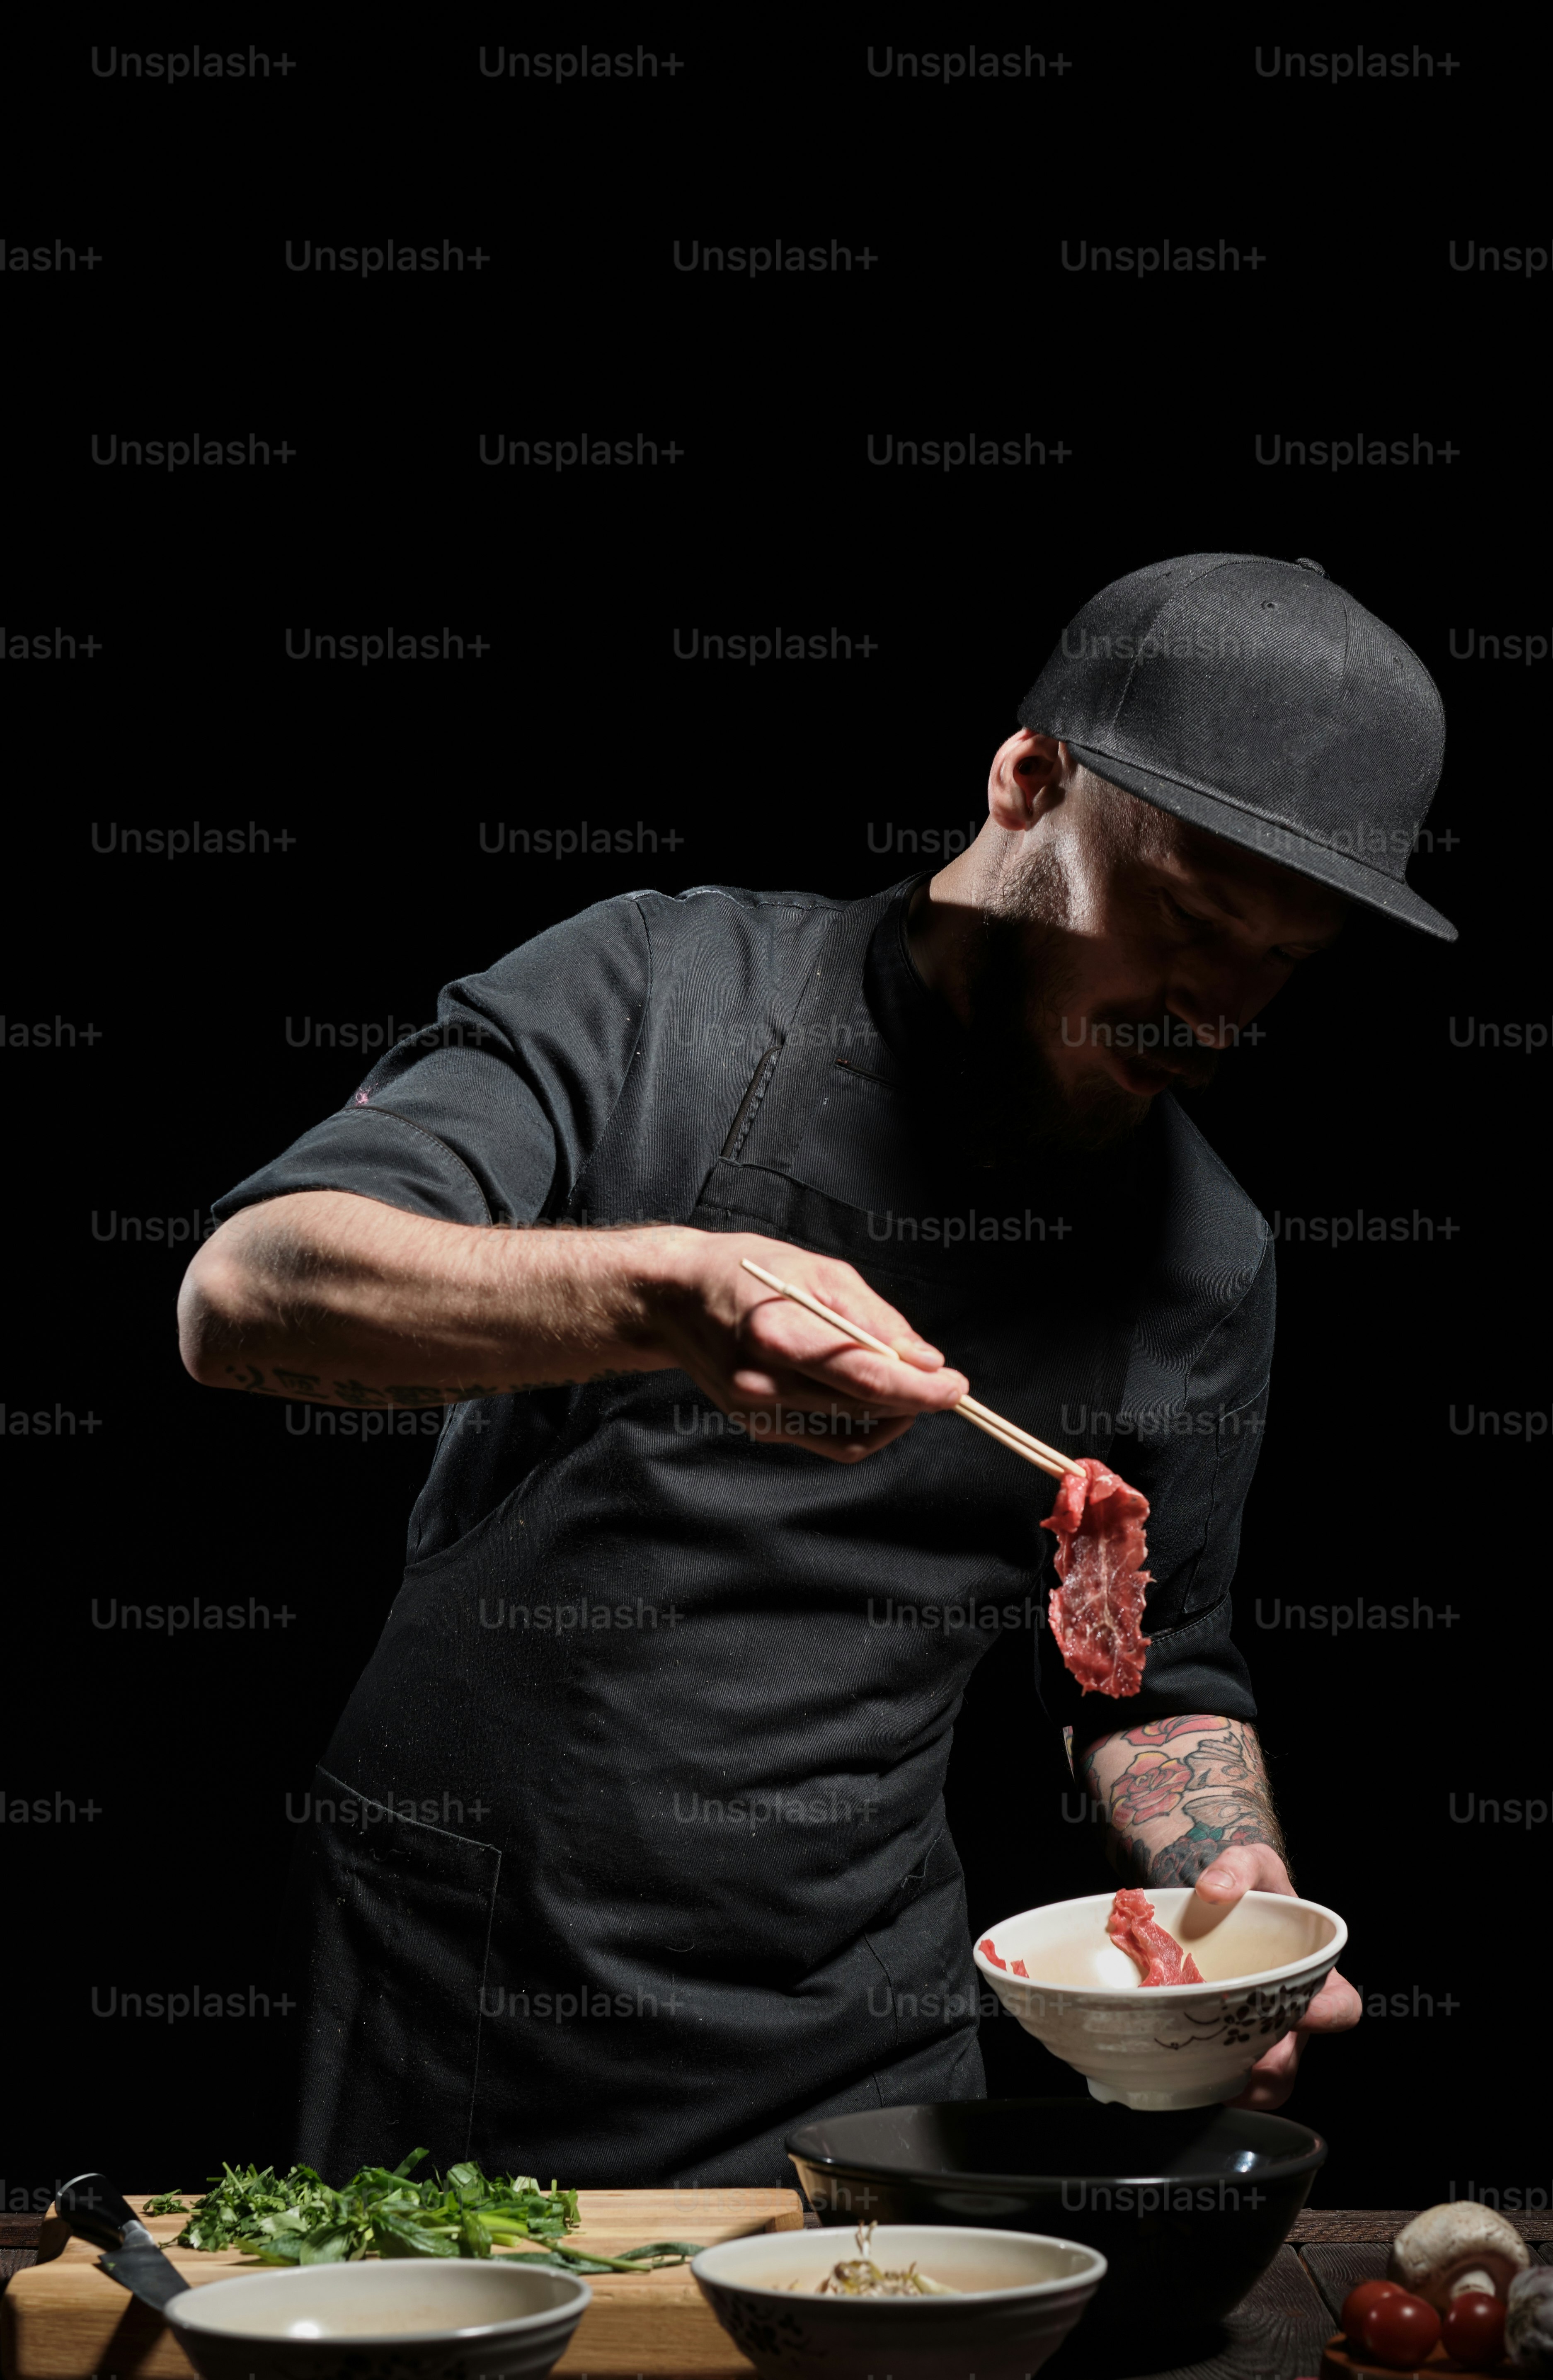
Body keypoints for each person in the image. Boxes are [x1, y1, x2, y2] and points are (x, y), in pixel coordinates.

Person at [179, 553, 1449, 2186]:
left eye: (1279, 961)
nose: (1212, 1009)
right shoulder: (660, 991)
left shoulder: (1204, 1256)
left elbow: (1156, 1678)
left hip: (856, 2025)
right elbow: (248, 1296)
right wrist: (665, 1296)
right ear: (1027, 778)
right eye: (1187, 918)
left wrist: (1234, 1894)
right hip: (459, 1969)